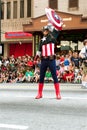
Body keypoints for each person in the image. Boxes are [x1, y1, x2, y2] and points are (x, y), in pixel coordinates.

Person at [35, 25, 61, 99]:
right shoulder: (41, 40)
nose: (45, 31)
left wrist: (54, 25)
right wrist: (35, 58)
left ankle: (58, 94)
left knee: (54, 76)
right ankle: (39, 93)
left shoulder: (52, 37)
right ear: (43, 32)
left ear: (48, 31)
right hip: (44, 60)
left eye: (46, 30)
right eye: (44, 30)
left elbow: (58, 30)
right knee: (41, 77)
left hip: (51, 59)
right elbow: (39, 51)